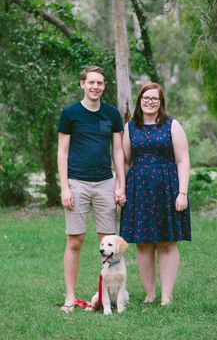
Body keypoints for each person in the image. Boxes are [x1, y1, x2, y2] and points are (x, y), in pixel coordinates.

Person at [57, 65, 126, 312]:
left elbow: (118, 151)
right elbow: (62, 152)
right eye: (91, 82)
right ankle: (70, 297)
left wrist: (121, 184)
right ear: (82, 84)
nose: (96, 87)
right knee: (75, 240)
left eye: (100, 83)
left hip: (106, 183)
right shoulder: (70, 114)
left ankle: (105, 298)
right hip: (77, 182)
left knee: (108, 244)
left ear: (104, 86)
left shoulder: (112, 114)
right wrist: (65, 187)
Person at [120, 82, 191, 306]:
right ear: (140, 101)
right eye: (146, 98)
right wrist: (120, 188)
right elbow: (125, 161)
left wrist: (182, 192)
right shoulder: (130, 127)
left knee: (167, 241)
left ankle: (166, 297)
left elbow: (183, 160)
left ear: (161, 103)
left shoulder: (172, 125)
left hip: (168, 189)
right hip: (138, 190)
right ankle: (150, 294)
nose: (150, 102)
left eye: (154, 99)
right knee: (143, 243)